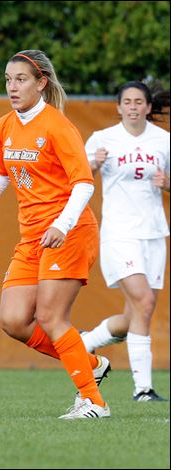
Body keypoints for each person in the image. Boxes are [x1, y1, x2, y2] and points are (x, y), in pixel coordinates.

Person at [0, 49, 111, 419]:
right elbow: (1, 172)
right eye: (9, 80)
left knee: (50, 316)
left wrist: (62, 224)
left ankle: (93, 402)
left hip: (69, 231)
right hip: (32, 238)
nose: (13, 87)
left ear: (41, 83)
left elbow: (83, 184)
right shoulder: (4, 125)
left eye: (21, 79)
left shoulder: (58, 126)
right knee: (13, 320)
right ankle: (87, 363)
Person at [81, 81, 170, 402]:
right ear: (118, 107)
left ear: (148, 107)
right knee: (144, 302)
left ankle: (86, 343)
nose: (133, 106)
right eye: (127, 102)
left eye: (139, 102)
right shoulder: (102, 140)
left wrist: (167, 182)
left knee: (136, 316)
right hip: (119, 235)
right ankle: (143, 389)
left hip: (154, 236)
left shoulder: (164, 141)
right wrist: (92, 165)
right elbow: (75, 180)